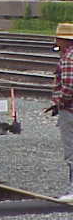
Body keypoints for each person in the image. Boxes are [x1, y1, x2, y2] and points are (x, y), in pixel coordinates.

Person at [47, 23, 73, 201]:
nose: (56, 42)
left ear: (65, 40)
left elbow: (69, 86)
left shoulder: (68, 58)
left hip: (70, 110)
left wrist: (59, 102)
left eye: (58, 38)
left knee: (71, 152)